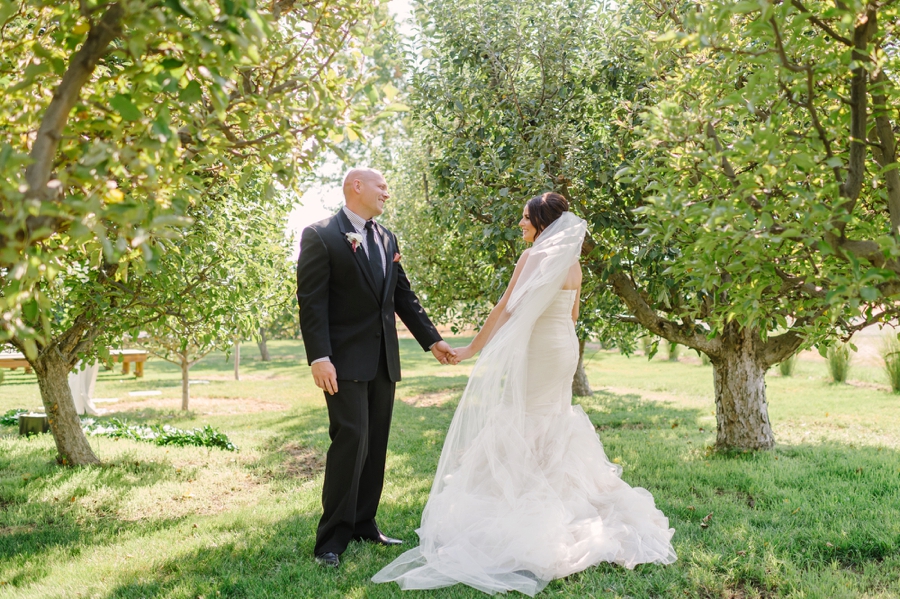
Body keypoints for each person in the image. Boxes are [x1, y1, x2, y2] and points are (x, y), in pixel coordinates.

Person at [372, 192, 676, 596]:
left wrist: (469, 349)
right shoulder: (572, 263)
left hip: (540, 352)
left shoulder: (532, 259)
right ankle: (564, 495)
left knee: (527, 417)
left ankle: (531, 502)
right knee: (552, 417)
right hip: (563, 347)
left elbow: (505, 310)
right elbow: (573, 315)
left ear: (543, 222)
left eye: (525, 218)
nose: (521, 224)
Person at [296, 168, 457, 569]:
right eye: (382, 186)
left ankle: (364, 523)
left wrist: (432, 339)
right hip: (342, 361)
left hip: (384, 361)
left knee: (375, 446)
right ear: (356, 186)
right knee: (351, 440)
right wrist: (319, 357)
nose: (387, 192)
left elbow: (402, 294)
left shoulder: (386, 237)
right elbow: (311, 303)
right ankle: (331, 540)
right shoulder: (320, 235)